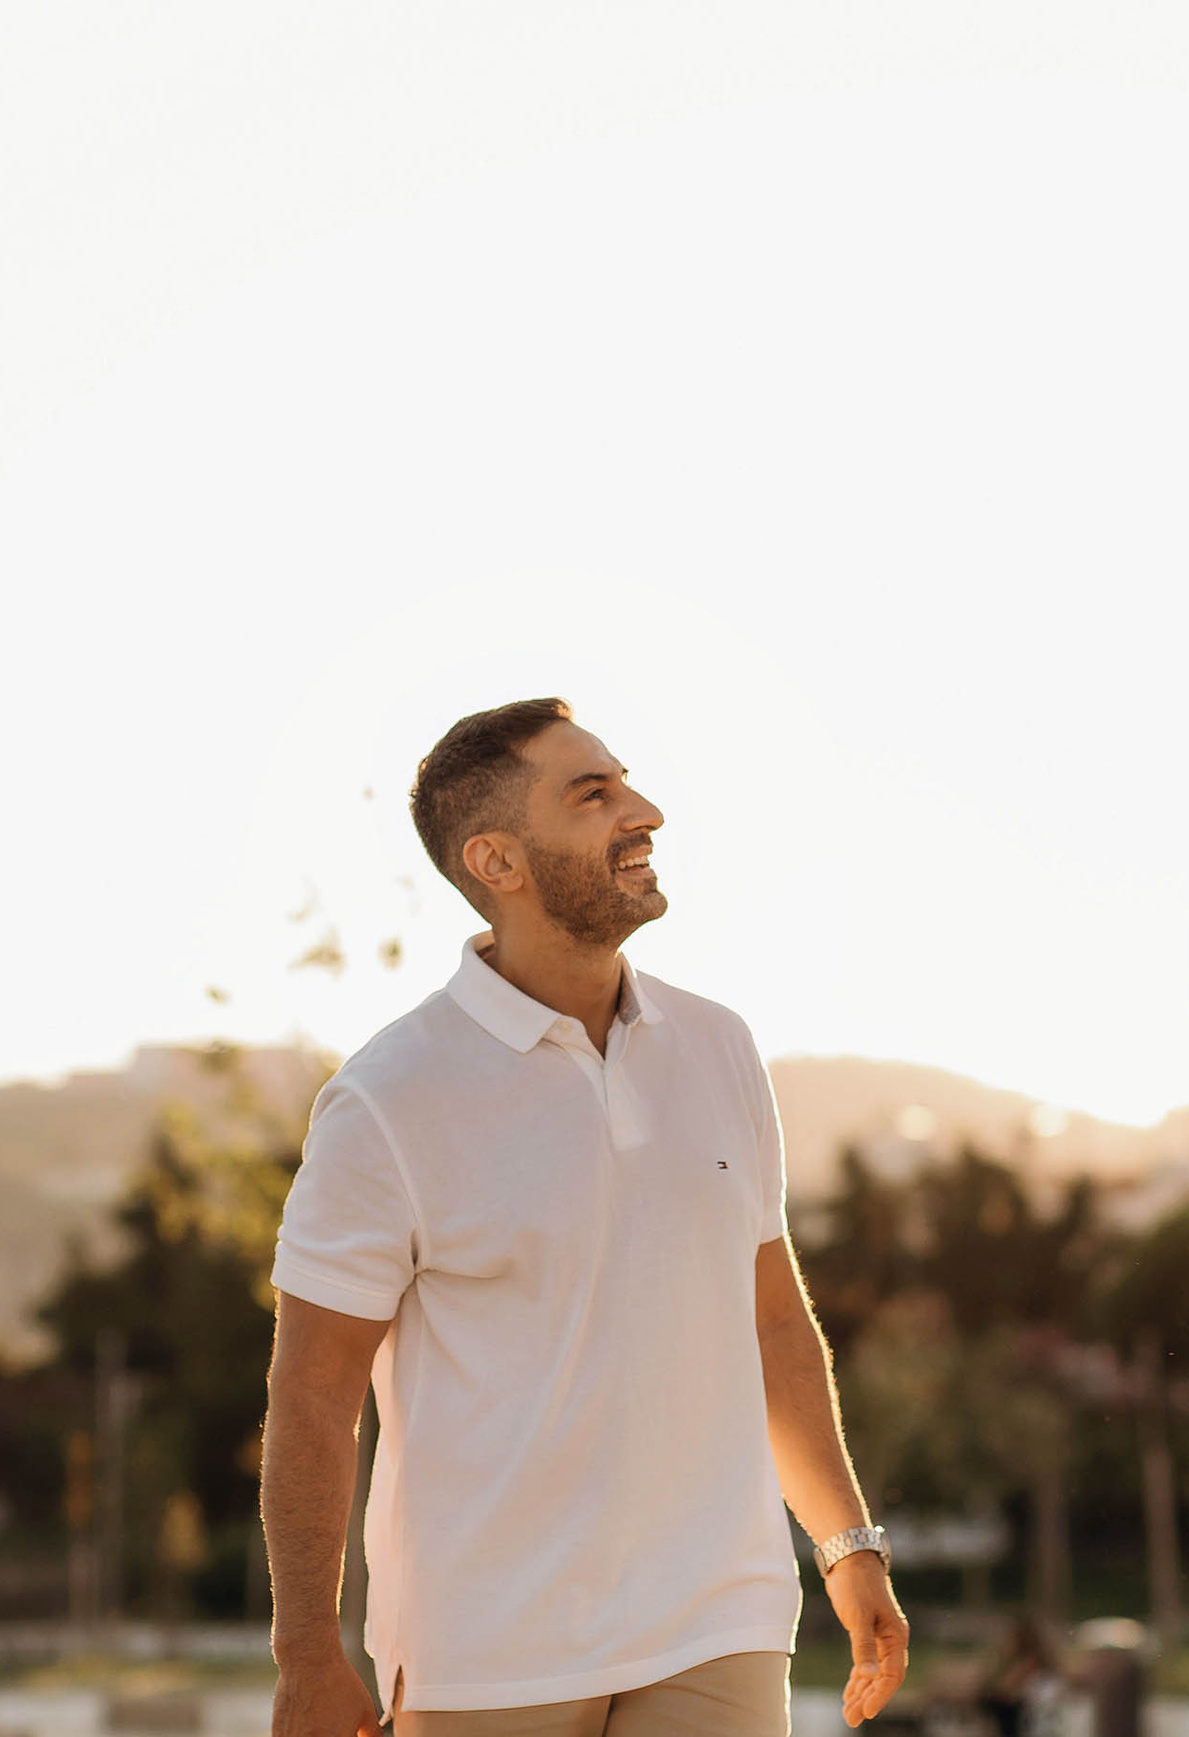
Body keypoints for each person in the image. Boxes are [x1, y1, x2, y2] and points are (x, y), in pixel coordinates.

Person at [262, 699, 908, 1737]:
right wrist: (305, 1653)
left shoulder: (719, 1046)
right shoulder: (387, 1099)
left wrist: (847, 1544)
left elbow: (772, 1323)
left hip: (718, 1620)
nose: (643, 812)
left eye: (626, 782)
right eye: (593, 795)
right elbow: (312, 1393)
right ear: (498, 861)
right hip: (483, 1653)